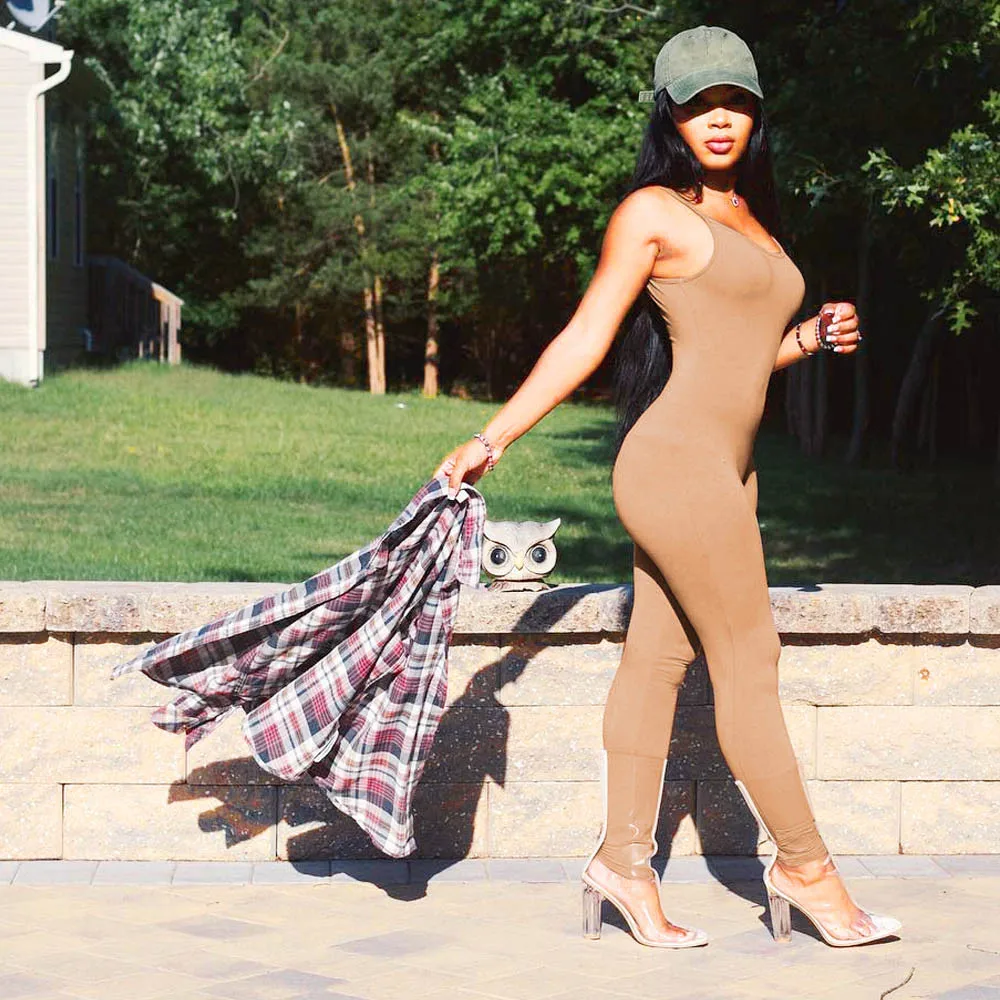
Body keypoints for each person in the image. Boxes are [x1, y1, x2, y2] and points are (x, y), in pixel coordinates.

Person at [433, 24, 900, 950]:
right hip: (676, 463)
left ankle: (621, 864)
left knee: (656, 660)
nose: (718, 120)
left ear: (756, 112)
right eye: (697, 105)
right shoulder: (652, 212)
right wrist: (493, 437)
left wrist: (809, 338)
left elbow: (739, 358)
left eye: (734, 102)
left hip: (727, 470)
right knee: (750, 662)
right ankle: (806, 869)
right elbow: (587, 335)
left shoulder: (753, 217)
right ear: (671, 118)